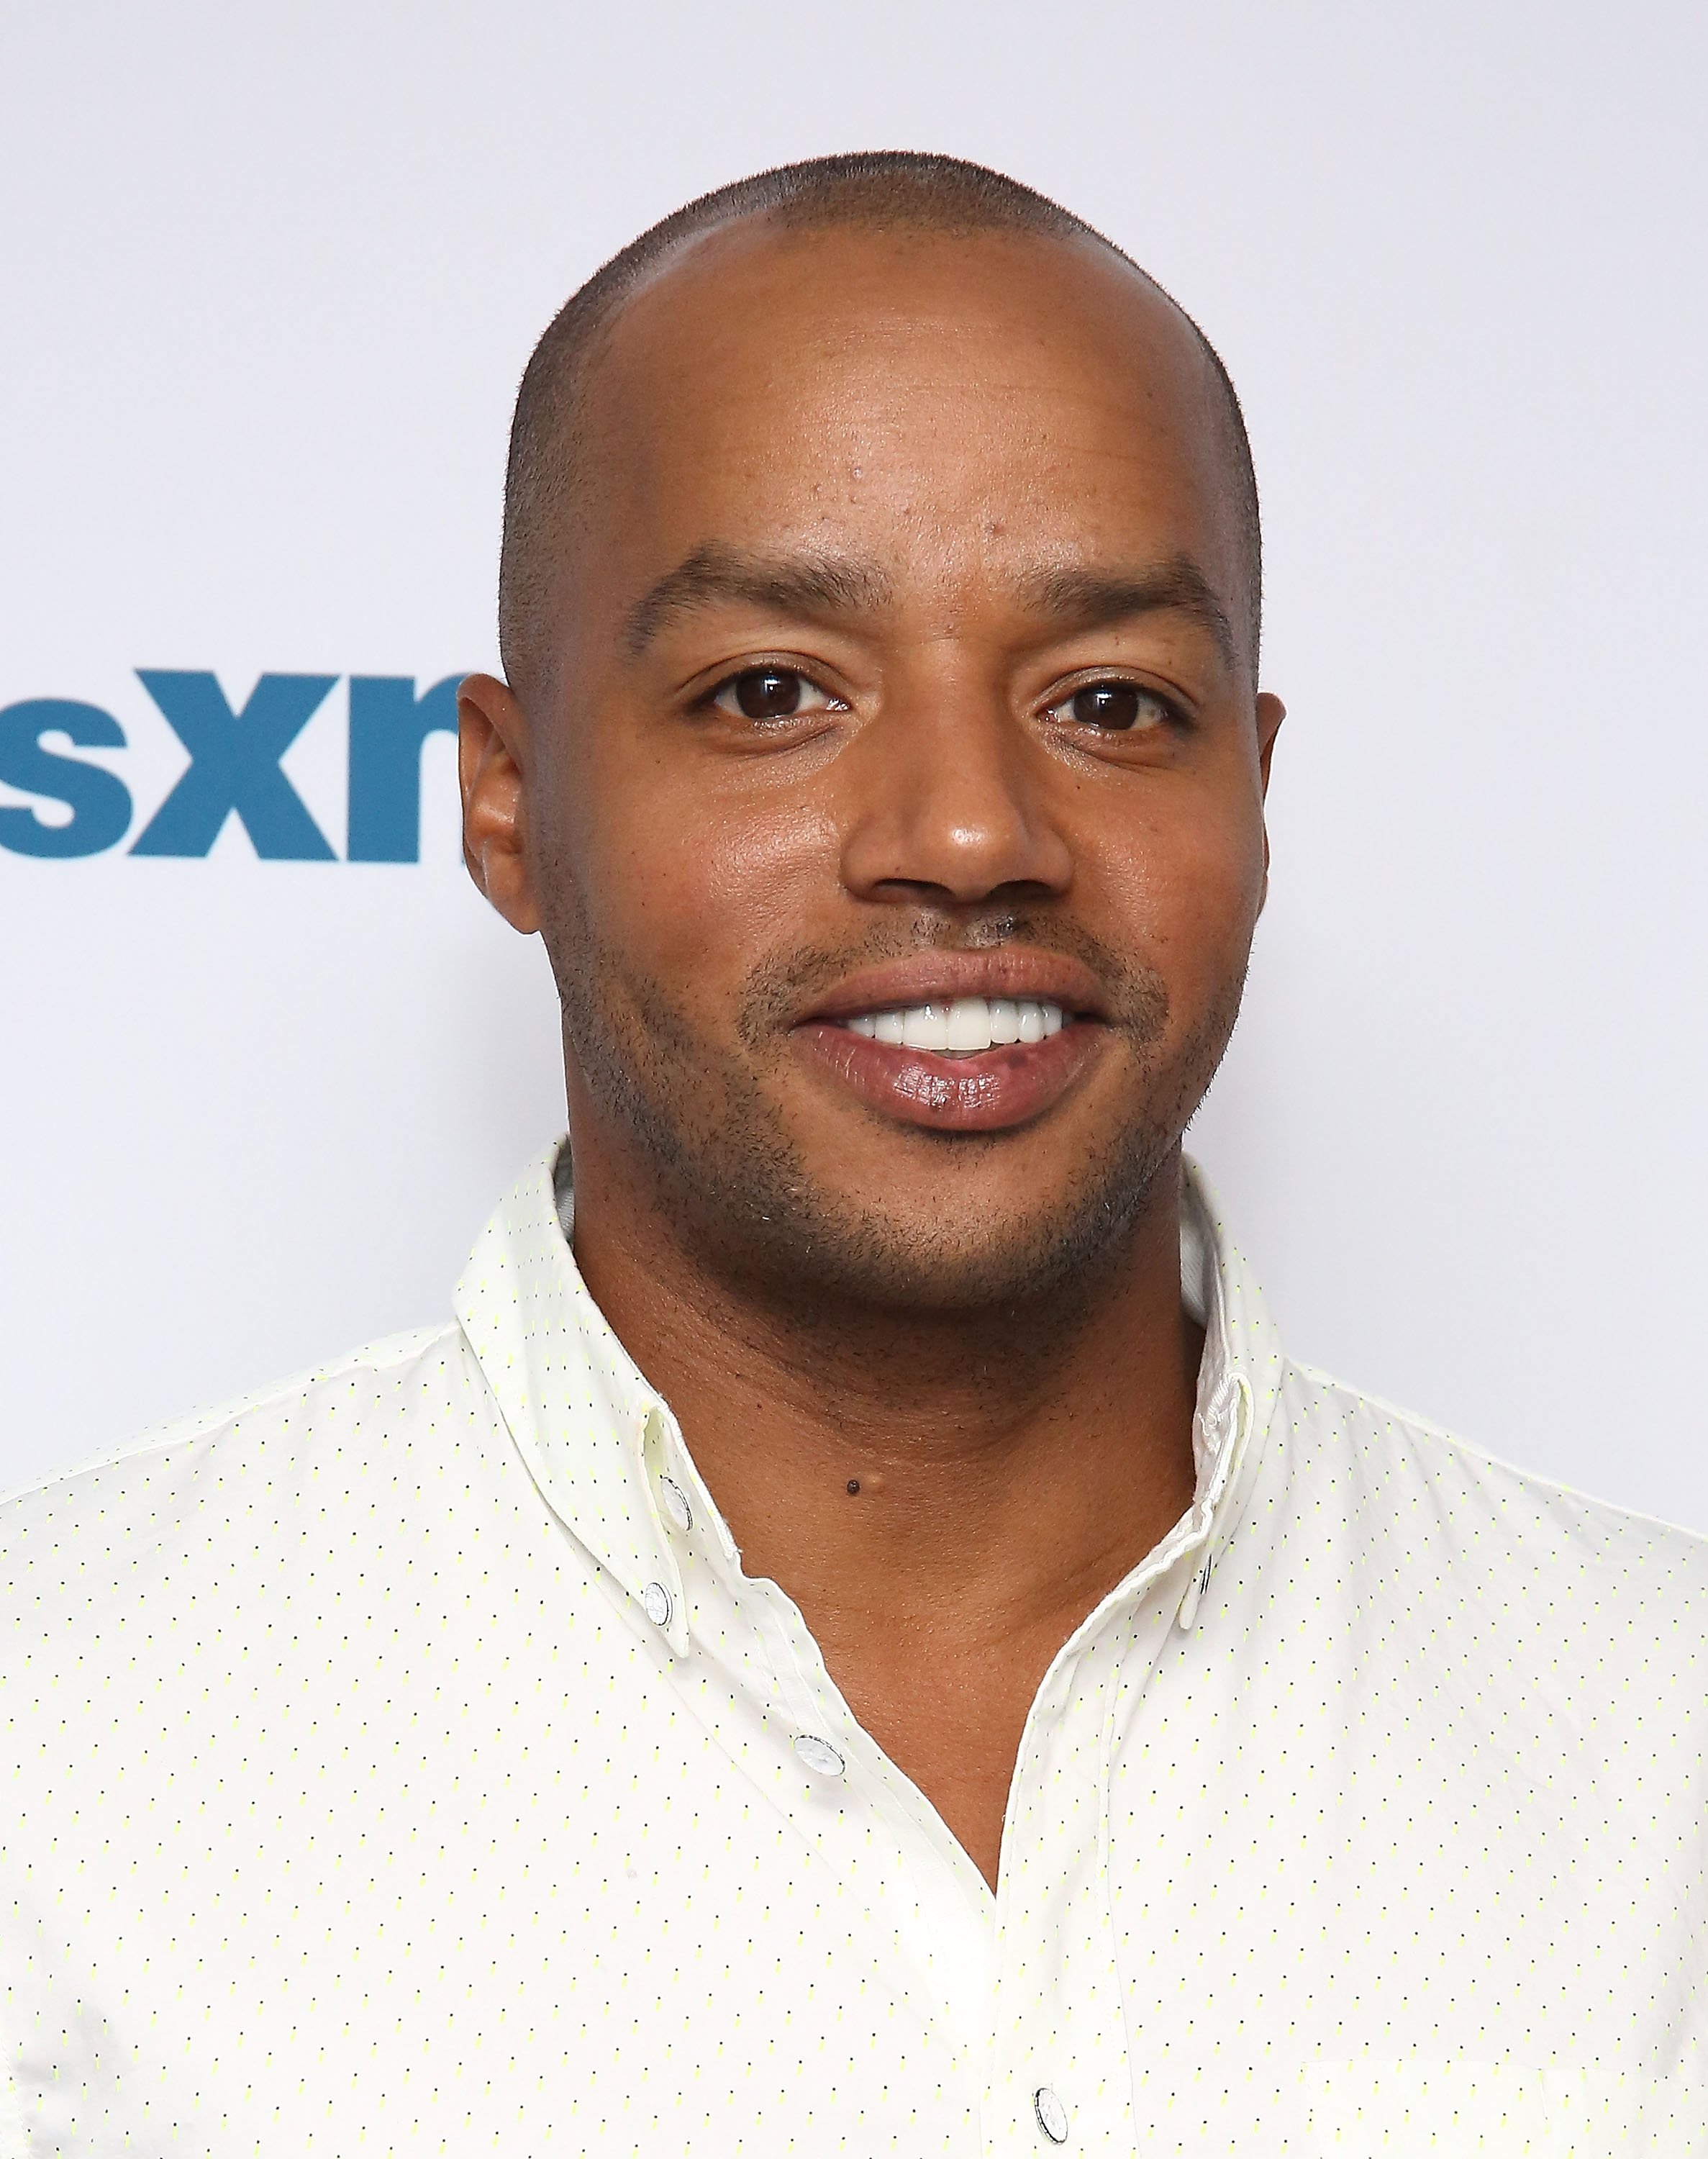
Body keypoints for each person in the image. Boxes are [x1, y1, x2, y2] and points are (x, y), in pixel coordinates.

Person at [3, 153, 1702, 2156]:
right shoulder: (52, 1748)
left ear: (1255, 793)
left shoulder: (1659, 1738)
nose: (972, 834)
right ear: (508, 805)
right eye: (775, 693)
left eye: (1109, 701)